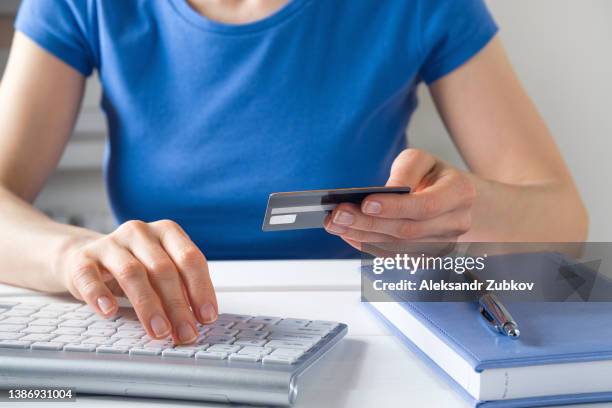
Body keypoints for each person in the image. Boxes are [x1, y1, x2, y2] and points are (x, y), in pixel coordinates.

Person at [0, 0, 588, 344]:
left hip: (362, 331)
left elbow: (563, 216)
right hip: (156, 328)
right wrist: (73, 256)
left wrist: (466, 212)